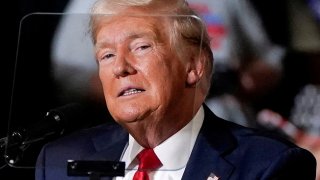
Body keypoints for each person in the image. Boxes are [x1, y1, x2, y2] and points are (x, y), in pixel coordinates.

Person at [35, 0, 317, 179]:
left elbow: (269, 58)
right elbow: (68, 72)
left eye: (141, 47)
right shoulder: (60, 161)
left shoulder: (268, 166)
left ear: (194, 66)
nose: (120, 67)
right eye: (106, 55)